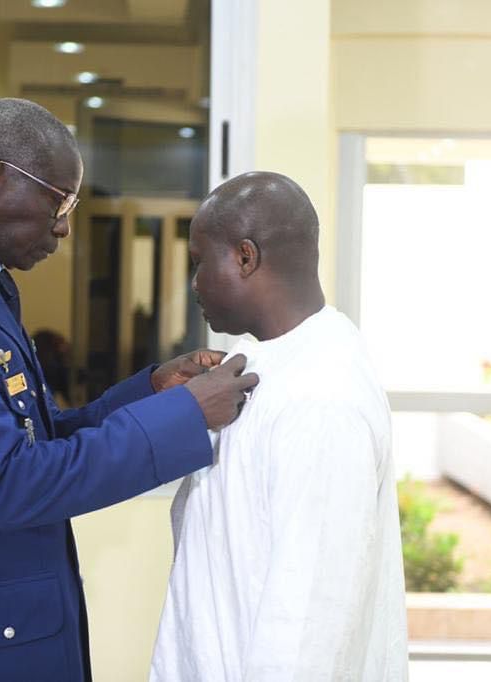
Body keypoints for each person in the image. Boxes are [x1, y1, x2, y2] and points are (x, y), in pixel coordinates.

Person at [0, 98, 257, 682]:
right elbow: (9, 480)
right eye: (57, 200)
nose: (64, 225)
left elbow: (34, 439)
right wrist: (187, 416)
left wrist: (155, 393)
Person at [151, 172, 408, 681]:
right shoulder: (253, 364)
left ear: (246, 257)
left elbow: (309, 621)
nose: (195, 283)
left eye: (201, 263)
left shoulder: (323, 397)